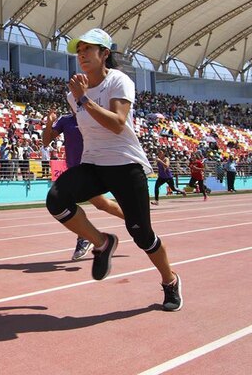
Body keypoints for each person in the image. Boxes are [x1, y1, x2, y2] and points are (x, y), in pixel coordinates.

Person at [45, 28, 182, 311]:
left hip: (125, 164)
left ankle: (170, 281)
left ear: (104, 53)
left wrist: (84, 98)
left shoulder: (118, 81)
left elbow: (118, 123)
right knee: (56, 199)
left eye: (88, 50)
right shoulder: (73, 93)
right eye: (79, 51)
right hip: (94, 163)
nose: (81, 55)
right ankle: (102, 243)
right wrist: (78, 99)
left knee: (142, 235)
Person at [43, 106, 125, 261]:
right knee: (102, 204)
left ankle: (85, 237)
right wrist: (49, 124)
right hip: (74, 171)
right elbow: (46, 142)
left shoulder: (92, 117)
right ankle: (135, 221)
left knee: (67, 201)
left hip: (90, 169)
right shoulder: (65, 121)